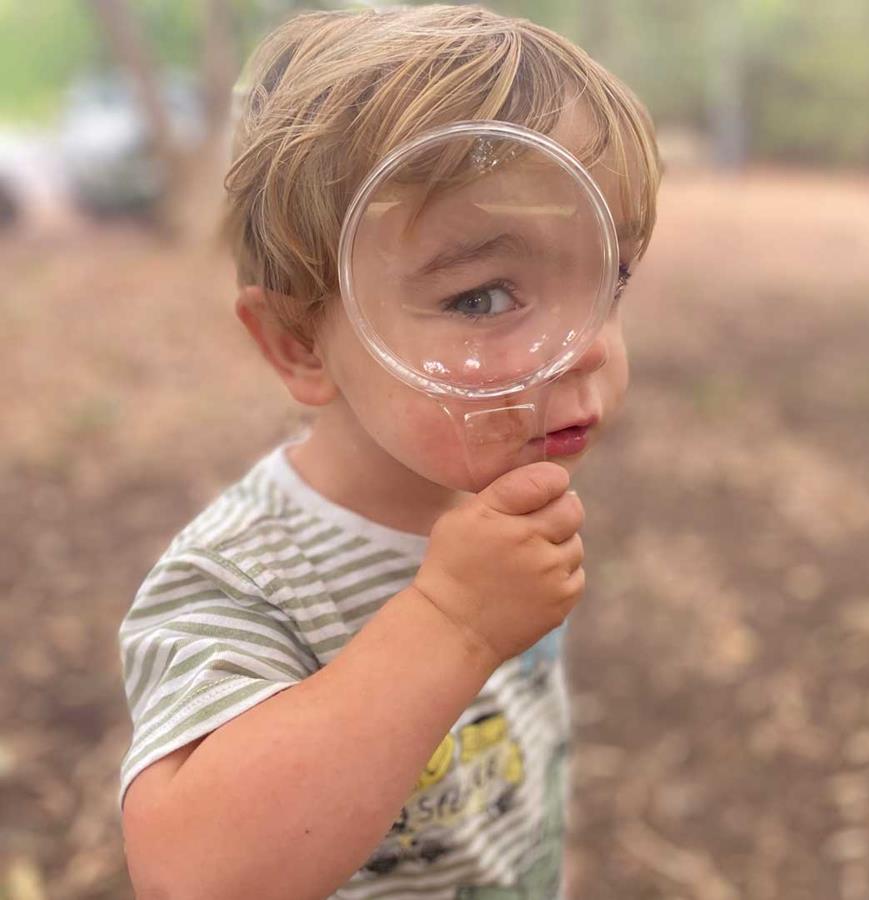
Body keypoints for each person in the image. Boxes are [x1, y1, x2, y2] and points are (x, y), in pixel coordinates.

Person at [117, 5, 660, 898]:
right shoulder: (246, 577)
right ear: (300, 345)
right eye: (484, 298)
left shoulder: (485, 497)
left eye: (610, 276)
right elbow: (191, 875)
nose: (589, 346)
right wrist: (453, 624)